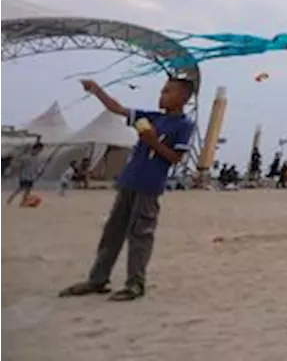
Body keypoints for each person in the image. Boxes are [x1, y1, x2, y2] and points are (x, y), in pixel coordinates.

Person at [59, 78, 196, 301]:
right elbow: (118, 109)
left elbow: (175, 158)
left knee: (140, 235)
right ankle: (98, 279)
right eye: (162, 90)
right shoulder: (153, 117)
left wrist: (152, 140)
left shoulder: (183, 125)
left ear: (184, 98)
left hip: (149, 186)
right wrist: (97, 90)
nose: (161, 95)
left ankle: (135, 283)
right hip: (129, 181)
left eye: (168, 92)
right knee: (112, 232)